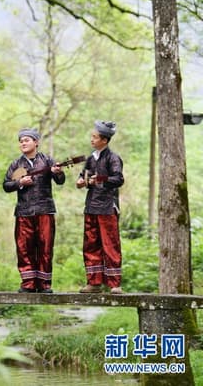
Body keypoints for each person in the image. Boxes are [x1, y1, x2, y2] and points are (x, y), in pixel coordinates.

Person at [3, 128, 65, 293]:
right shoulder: (16, 164)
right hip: (24, 211)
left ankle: (44, 284)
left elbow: (60, 181)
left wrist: (58, 172)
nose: (23, 143)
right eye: (21, 141)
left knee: (45, 247)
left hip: (45, 209)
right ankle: (28, 283)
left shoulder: (47, 160)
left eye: (27, 140)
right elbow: (6, 185)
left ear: (36, 142)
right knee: (24, 248)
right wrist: (20, 182)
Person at [76, 120, 124, 294]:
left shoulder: (113, 158)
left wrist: (101, 178)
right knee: (91, 245)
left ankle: (114, 284)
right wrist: (81, 182)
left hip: (107, 207)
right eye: (92, 136)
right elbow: (84, 177)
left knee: (110, 244)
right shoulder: (91, 158)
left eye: (95, 137)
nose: (92, 139)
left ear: (104, 140)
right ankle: (93, 282)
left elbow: (118, 179)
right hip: (91, 206)